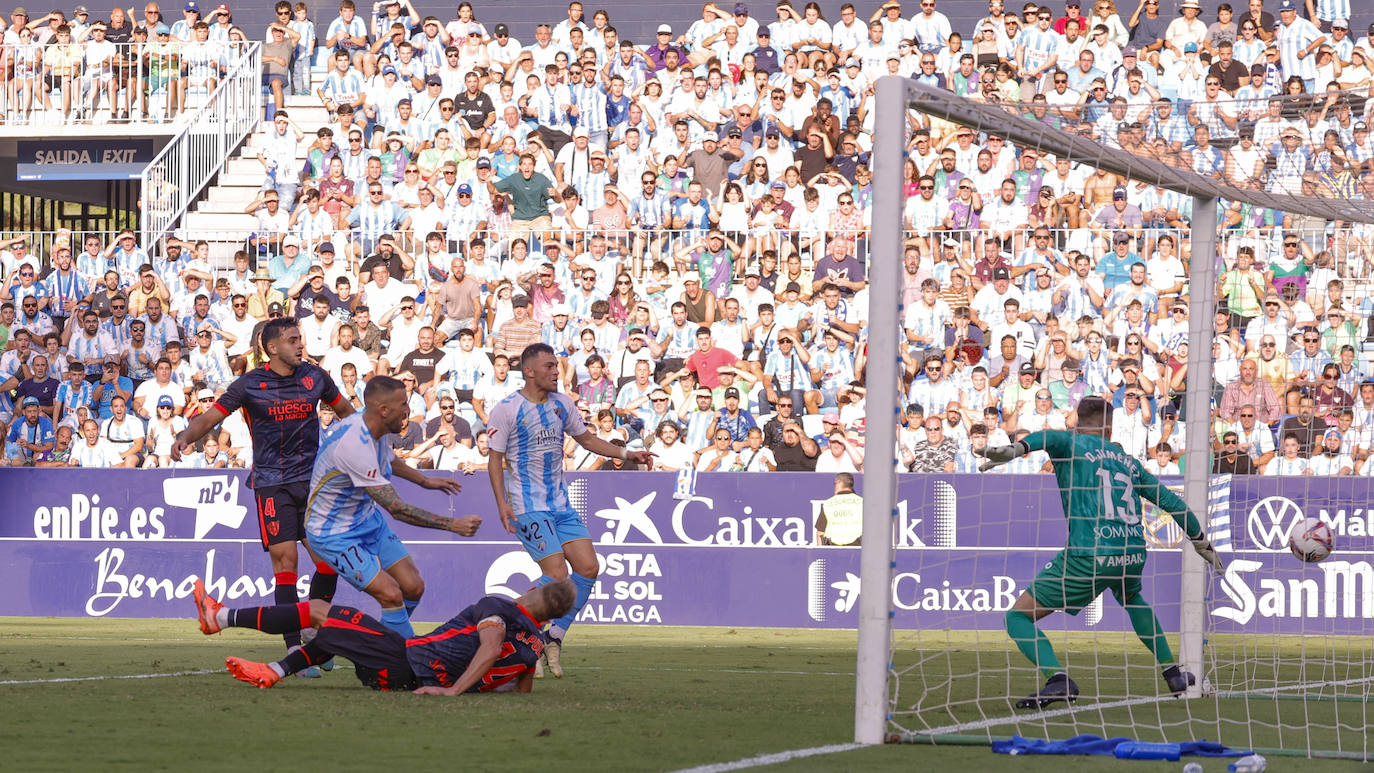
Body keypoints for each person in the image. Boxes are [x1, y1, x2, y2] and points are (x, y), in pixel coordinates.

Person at [974, 396, 1225, 709]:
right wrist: (1200, 540)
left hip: (1089, 551)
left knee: (1017, 618)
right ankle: (1173, 673)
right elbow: (1174, 504)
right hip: (1133, 550)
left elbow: (1048, 437)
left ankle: (1058, 679)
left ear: (1079, 421)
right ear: (1110, 426)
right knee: (1133, 598)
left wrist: (1016, 450)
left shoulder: (1072, 444)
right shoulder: (1129, 462)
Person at [170, 317, 356, 675]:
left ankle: (315, 633)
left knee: (329, 563)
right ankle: (293, 650)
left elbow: (349, 415)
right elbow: (210, 417)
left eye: (300, 338)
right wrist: (185, 437)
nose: (300, 345)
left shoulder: (315, 377)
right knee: (286, 566)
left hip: (314, 483)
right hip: (273, 484)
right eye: (292, 340)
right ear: (272, 348)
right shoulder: (249, 385)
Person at [486, 343, 655, 677]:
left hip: (559, 502)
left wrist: (627, 454)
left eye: (557, 366)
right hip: (526, 504)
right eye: (549, 366)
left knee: (589, 567)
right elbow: (494, 459)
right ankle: (501, 622)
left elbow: (588, 441)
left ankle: (553, 634)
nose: (556, 372)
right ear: (530, 370)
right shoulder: (506, 409)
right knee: (558, 574)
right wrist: (501, 503)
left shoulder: (562, 404)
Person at [291, 375, 478, 638]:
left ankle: (378, 646)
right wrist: (451, 524)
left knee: (413, 587)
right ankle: (399, 659)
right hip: (332, 533)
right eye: (403, 404)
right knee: (391, 594)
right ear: (384, 410)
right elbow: (397, 508)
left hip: (366, 520)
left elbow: (389, 459)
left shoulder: (374, 428)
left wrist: (425, 481)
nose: (408, 409)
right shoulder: (354, 445)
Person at [193, 573, 574, 693]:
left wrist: (452, 691)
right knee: (341, 631)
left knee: (325, 614)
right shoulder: (535, 643)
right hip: (404, 672)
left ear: (537, 593)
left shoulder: (500, 606)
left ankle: (221, 618)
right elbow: (520, 689)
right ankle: (274, 670)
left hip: (407, 662)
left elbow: (490, 650)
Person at [814, 472, 862, 546]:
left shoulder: (828, 504)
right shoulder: (862, 502)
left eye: (834, 484)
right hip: (857, 548)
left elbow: (820, 532)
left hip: (833, 550)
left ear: (838, 483)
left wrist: (821, 554)